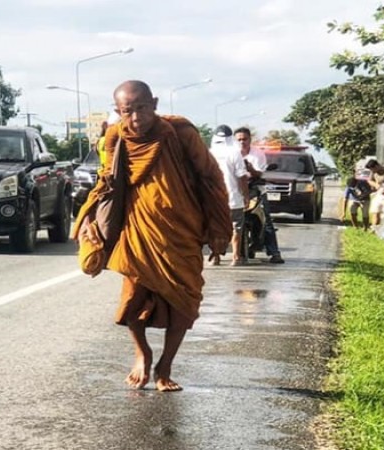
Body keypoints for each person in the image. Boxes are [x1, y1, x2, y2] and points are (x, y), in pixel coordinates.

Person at [73, 80, 231, 392]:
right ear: (118, 112)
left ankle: (166, 365)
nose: (135, 118)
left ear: (154, 104)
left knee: (185, 302)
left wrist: (219, 228)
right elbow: (107, 181)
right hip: (138, 229)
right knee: (132, 298)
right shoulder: (115, 136)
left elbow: (209, 177)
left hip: (183, 229)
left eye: (141, 108)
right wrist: (91, 219)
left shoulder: (181, 132)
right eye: (126, 111)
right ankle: (142, 353)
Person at [234, 127, 285, 264]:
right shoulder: (232, 154)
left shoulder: (257, 154)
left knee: (267, 220)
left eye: (244, 139)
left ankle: (274, 252)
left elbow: (260, 174)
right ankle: (218, 251)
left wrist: (250, 169)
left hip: (256, 190)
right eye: (239, 139)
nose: (242, 142)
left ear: (250, 139)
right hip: (236, 192)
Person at [209, 125, 249, 266]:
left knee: (215, 228)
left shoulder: (209, 153)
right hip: (233, 198)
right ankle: (236, 257)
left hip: (213, 200)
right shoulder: (234, 153)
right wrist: (246, 196)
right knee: (236, 228)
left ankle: (216, 257)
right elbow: (242, 176)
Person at [365, 159, 384, 226]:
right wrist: (375, 184)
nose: (372, 171)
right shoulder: (373, 172)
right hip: (379, 192)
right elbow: (369, 181)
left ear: (377, 166)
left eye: (373, 169)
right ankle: (374, 228)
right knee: (375, 210)